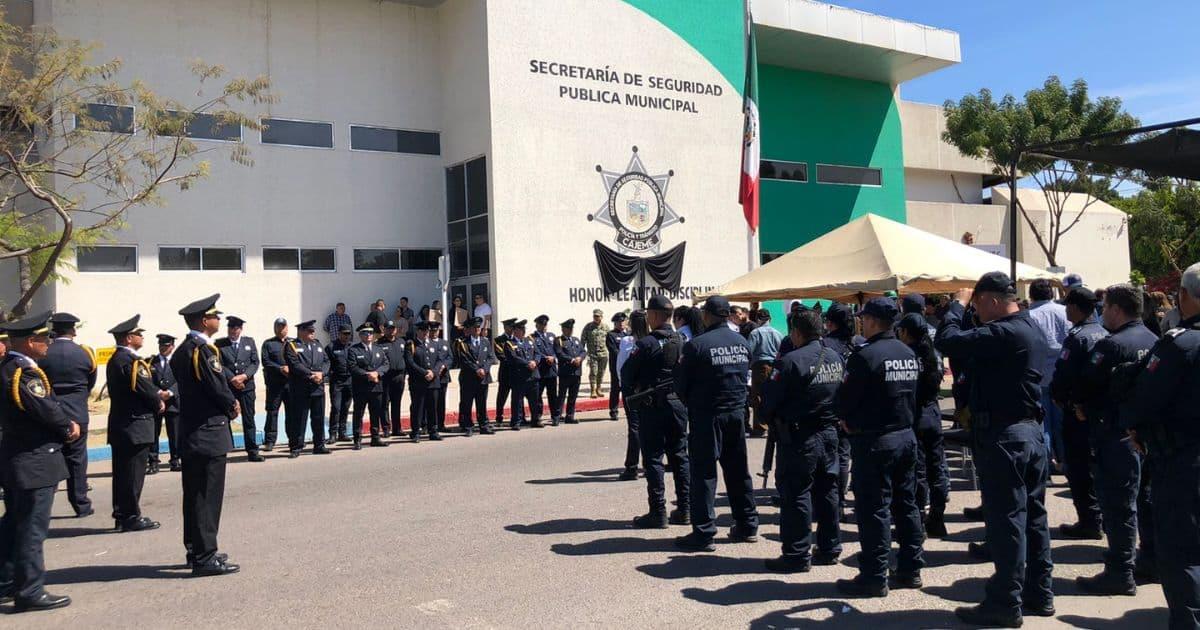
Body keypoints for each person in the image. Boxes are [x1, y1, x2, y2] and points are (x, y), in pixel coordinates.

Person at [936, 273, 1054, 626]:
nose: (976, 312)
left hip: (1007, 436)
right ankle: (1039, 591)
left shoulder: (1005, 331)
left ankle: (1005, 601)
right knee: (1033, 518)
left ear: (989, 300)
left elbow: (949, 341)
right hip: (1027, 432)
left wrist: (956, 306)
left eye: (977, 305)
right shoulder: (1027, 327)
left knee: (1006, 521)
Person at [1126, 261, 1200, 629]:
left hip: (1184, 462)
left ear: (1185, 296)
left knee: (1183, 549)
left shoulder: (1180, 344)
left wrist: (1137, 429)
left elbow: (1143, 400)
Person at [834, 298, 924, 596]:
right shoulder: (908, 352)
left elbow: (845, 400)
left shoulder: (866, 356)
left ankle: (874, 575)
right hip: (906, 436)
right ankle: (910, 568)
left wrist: (847, 419)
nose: (861, 322)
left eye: (864, 318)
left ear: (872, 321)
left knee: (875, 509)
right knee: (906, 505)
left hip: (875, 440)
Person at [1074, 284, 1159, 595]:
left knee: (1118, 504)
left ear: (1115, 309)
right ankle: (1150, 559)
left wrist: (1080, 406)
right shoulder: (1154, 340)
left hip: (1115, 434)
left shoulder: (1111, 346)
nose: (1101, 312)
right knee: (1144, 500)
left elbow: (1087, 385)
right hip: (1143, 436)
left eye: (1105, 306)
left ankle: (1120, 571)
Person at [0, 311, 81, 612]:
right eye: (43, 338)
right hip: (33, 460)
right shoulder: (23, 372)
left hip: (19, 459)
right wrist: (67, 426)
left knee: (14, 524)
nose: (49, 342)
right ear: (30, 342)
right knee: (32, 528)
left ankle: (7, 581)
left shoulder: (9, 366)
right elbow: (44, 408)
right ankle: (29, 591)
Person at [673, 296, 760, 552]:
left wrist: (692, 402)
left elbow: (681, 385)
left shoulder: (697, 345)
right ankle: (747, 524)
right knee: (738, 471)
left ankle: (704, 532)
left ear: (707, 315)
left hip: (707, 415)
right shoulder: (741, 342)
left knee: (704, 473)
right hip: (735, 413)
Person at [760, 309, 844, 572]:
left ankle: (796, 554)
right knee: (827, 491)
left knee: (796, 493)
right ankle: (830, 548)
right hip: (830, 434)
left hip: (799, 437)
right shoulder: (835, 357)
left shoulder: (790, 361)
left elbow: (769, 402)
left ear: (796, 332)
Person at [172, 294, 240, 576]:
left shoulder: (183, 350)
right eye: (215, 316)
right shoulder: (203, 350)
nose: (219, 319)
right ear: (204, 320)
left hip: (192, 430)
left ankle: (196, 548)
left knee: (195, 495)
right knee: (206, 496)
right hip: (207, 432)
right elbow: (216, 385)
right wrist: (231, 404)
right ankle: (204, 557)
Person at [622, 295, 690, 529]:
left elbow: (627, 375)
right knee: (680, 456)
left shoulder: (647, 343)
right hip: (678, 405)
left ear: (654, 315)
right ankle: (685, 508)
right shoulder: (683, 339)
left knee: (653, 458)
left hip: (654, 406)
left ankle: (658, 512)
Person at [1050, 287, 1107, 540]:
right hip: (1100, 414)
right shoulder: (1105, 333)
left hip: (1077, 413)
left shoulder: (1078, 337)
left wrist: (1060, 398)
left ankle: (1089, 520)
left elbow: (1063, 376)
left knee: (1079, 469)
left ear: (1075, 307)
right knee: (1098, 468)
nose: (1066, 310)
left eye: (1068, 306)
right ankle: (1099, 517)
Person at [105, 314, 163, 533]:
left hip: (126, 424)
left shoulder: (119, 359)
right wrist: (158, 398)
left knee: (123, 473)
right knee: (132, 474)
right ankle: (130, 516)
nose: (141, 337)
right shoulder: (128, 361)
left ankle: (123, 513)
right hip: (134, 425)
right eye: (138, 334)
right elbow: (143, 387)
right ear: (129, 338)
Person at [896, 313, 949, 538]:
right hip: (932, 415)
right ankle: (937, 516)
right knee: (936, 469)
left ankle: (916, 520)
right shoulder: (932, 354)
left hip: (914, 416)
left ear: (906, 332)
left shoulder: (906, 355)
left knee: (916, 471)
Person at [40, 312, 96, 515]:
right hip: (78, 411)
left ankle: (44, 505)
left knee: (50, 457)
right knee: (77, 460)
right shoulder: (85, 352)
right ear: (73, 329)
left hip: (50, 412)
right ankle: (81, 504)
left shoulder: (45, 352)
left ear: (54, 329)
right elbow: (90, 380)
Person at [822, 303, 862, 524]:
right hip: (854, 406)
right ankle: (844, 500)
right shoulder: (858, 343)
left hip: (832, 406)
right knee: (846, 457)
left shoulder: (825, 345)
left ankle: (835, 503)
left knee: (832, 458)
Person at [1027, 279, 1071, 472]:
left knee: (1042, 423)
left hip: (1038, 375)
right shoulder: (1065, 312)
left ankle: (1046, 465)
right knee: (1062, 422)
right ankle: (1065, 460)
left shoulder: (1029, 316)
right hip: (1062, 375)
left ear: (1031, 295)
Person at [215, 316, 262, 462]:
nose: (233, 331)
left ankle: (252, 451)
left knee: (249, 419)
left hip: (246, 386)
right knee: (227, 417)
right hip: (229, 387)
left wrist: (244, 376)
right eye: (230, 328)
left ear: (240, 329)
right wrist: (232, 379)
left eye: (235, 328)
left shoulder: (249, 342)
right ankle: (226, 449)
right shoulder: (220, 344)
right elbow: (219, 364)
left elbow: (255, 362)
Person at [284, 320, 331, 458]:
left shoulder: (317, 344)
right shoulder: (291, 345)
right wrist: (311, 375)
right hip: (301, 388)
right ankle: (296, 446)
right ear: (301, 331)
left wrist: (322, 373)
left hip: (317, 388)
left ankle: (319, 445)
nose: (312, 333)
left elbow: (326, 361)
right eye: (309, 331)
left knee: (318, 417)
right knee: (299, 418)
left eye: (313, 331)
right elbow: (294, 364)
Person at [617, 311, 648, 481]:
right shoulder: (651, 339)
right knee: (649, 426)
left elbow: (621, 368)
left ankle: (632, 467)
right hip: (648, 388)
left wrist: (626, 386)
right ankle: (649, 464)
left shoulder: (628, 341)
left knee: (634, 427)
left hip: (632, 389)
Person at [348, 324, 389, 449]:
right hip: (361, 387)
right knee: (358, 413)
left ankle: (375, 437)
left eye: (370, 333)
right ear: (360, 335)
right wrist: (367, 375)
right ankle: (357, 439)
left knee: (375, 412)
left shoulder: (378, 349)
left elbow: (386, 364)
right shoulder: (354, 350)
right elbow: (352, 367)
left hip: (376, 386)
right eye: (365, 333)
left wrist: (378, 373)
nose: (369, 335)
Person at [454, 317, 495, 436]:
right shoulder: (463, 343)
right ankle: (467, 426)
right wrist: (477, 369)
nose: (477, 329)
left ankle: (484, 425)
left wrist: (485, 369)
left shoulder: (485, 341)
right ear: (470, 329)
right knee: (467, 403)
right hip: (469, 378)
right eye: (475, 327)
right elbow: (463, 359)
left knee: (482, 402)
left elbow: (490, 357)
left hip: (483, 377)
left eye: (479, 327)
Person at [747, 309, 783, 437]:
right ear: (770, 319)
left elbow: (749, 351)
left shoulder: (755, 333)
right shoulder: (778, 333)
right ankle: (774, 424)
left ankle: (761, 427)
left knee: (758, 396)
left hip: (759, 366)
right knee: (772, 395)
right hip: (774, 366)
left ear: (757, 319)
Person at [406, 321, 443, 442]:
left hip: (433, 381)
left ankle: (433, 430)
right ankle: (416, 431)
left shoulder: (433, 344)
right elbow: (410, 362)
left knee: (433, 407)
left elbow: (439, 360)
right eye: (423, 331)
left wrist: (433, 372)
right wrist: (424, 373)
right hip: (418, 382)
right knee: (418, 407)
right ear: (418, 331)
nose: (426, 333)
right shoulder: (411, 344)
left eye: (427, 331)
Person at [150, 334, 181, 472]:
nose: (163, 348)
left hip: (173, 401)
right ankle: (153, 461)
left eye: (166, 345)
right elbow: (147, 381)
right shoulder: (151, 361)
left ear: (172, 346)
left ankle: (175, 460)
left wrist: (170, 392)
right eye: (161, 345)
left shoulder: (178, 361)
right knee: (153, 433)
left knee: (174, 433)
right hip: (157, 402)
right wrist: (158, 394)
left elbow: (182, 380)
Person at [259, 318, 292, 451]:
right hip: (274, 384)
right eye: (278, 326)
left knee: (292, 413)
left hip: (290, 384)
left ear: (287, 328)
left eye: (283, 326)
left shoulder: (293, 343)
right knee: (272, 412)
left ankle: (293, 439)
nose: (281, 329)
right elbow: (266, 362)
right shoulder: (268, 344)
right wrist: (280, 368)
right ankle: (270, 441)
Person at [503, 319, 540, 431]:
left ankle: (535, 420)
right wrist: (527, 363)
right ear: (515, 331)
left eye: (524, 329)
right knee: (517, 400)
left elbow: (537, 354)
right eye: (520, 329)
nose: (523, 331)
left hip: (533, 375)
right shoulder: (509, 344)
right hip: (519, 377)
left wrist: (535, 362)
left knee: (535, 400)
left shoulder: (529, 341)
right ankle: (516, 421)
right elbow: (513, 358)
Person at [325, 325, 354, 443]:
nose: (346, 336)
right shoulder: (331, 347)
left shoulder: (352, 347)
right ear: (339, 333)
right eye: (344, 334)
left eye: (348, 334)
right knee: (336, 407)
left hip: (350, 380)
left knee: (345, 407)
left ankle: (342, 432)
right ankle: (332, 434)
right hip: (337, 381)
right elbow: (326, 363)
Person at [554, 319, 586, 424]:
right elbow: (559, 354)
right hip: (565, 372)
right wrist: (572, 360)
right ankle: (557, 416)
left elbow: (583, 351)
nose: (570, 330)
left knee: (573, 396)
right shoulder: (558, 340)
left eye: (571, 328)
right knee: (562, 395)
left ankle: (570, 416)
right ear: (563, 329)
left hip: (576, 372)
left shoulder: (576, 340)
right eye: (568, 328)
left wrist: (580, 358)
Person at [380, 321, 407, 439]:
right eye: (389, 328)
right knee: (384, 403)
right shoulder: (379, 344)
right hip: (386, 377)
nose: (391, 331)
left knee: (397, 403)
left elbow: (406, 358)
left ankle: (397, 428)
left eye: (393, 328)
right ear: (384, 330)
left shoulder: (401, 342)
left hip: (399, 377)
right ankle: (386, 428)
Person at [531, 314, 560, 427]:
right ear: (537, 325)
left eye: (545, 324)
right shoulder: (532, 338)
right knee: (538, 396)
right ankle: (537, 417)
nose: (543, 326)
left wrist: (553, 357)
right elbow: (535, 351)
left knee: (553, 395)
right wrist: (545, 358)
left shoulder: (552, 336)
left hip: (551, 370)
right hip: (540, 370)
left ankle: (555, 416)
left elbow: (557, 350)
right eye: (541, 324)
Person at [429, 321, 453, 433]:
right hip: (433, 376)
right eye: (432, 331)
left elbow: (450, 357)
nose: (434, 333)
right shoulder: (427, 342)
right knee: (431, 402)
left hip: (443, 376)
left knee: (441, 401)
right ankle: (428, 425)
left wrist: (445, 365)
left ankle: (441, 424)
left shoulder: (444, 343)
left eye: (436, 331)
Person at [581, 309, 610, 399]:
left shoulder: (605, 327)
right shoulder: (588, 327)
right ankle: (593, 390)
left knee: (601, 372)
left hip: (604, 354)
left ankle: (599, 388)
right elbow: (583, 339)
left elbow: (609, 340)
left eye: (598, 316)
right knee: (593, 372)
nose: (596, 318)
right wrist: (582, 351)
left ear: (602, 317)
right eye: (595, 316)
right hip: (592, 354)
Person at [493, 318, 516, 425]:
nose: (512, 329)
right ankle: (499, 417)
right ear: (505, 327)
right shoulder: (498, 340)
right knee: (502, 396)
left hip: (517, 373)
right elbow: (501, 356)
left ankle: (518, 416)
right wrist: (516, 360)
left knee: (517, 397)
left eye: (513, 327)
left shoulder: (517, 339)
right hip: (505, 373)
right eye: (510, 327)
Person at [605, 313, 628, 419]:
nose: (621, 324)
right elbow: (613, 350)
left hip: (628, 366)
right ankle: (613, 411)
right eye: (619, 322)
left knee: (627, 388)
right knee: (615, 389)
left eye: (623, 322)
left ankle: (628, 408)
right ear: (615, 323)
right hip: (616, 366)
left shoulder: (628, 334)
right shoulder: (611, 335)